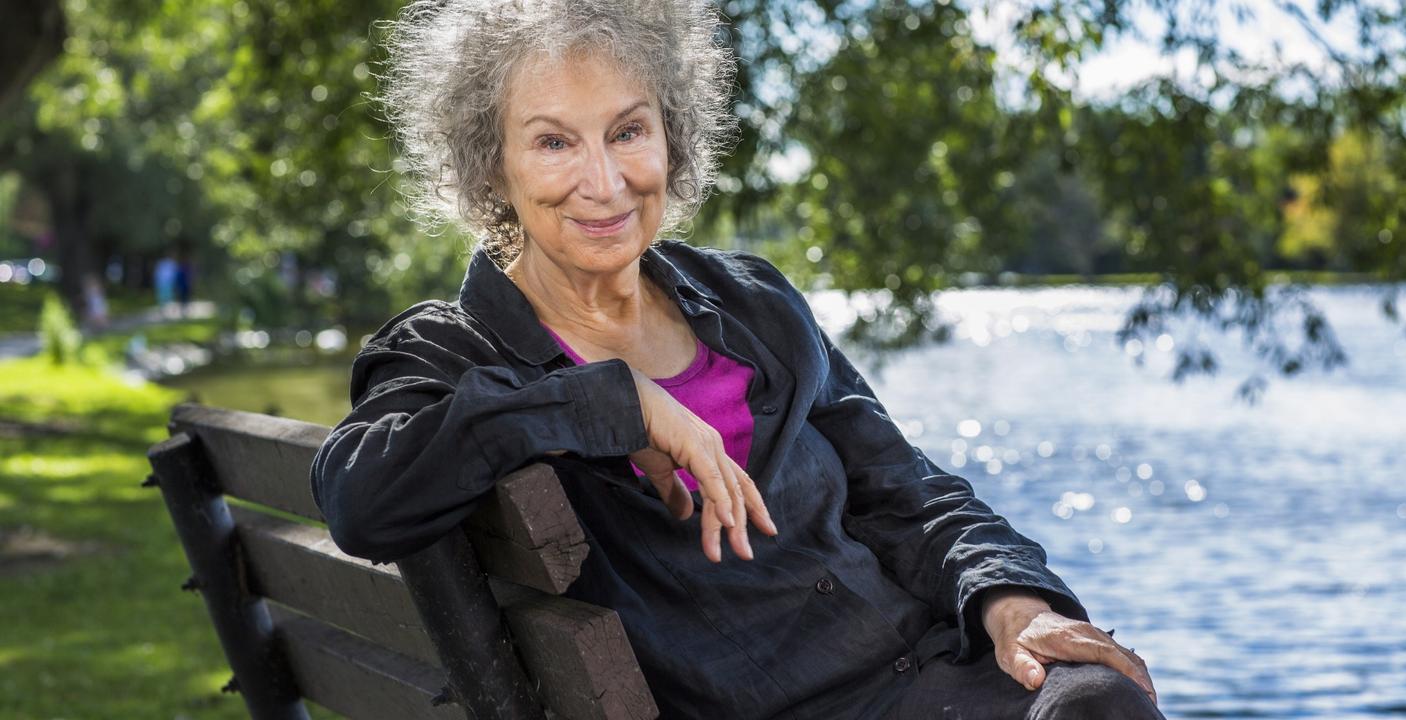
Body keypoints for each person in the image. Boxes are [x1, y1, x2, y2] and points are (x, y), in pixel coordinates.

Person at [310, 1, 1164, 718]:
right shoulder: (451, 348)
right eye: (553, 143)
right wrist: (614, 403)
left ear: (672, 138)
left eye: (628, 131)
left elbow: (905, 490)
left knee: (1097, 696)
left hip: (933, 676)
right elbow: (359, 497)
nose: (604, 182)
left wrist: (1009, 598)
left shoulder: (753, 300)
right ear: (490, 167)